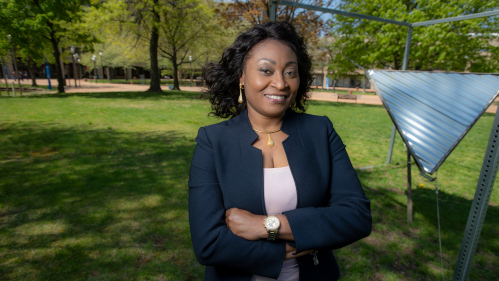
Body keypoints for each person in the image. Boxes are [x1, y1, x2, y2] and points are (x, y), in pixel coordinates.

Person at [188, 21, 372, 281]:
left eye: (290, 72)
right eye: (266, 70)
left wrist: (266, 226)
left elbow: (357, 216)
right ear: (241, 76)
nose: (280, 83)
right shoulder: (213, 140)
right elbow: (208, 243)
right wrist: (292, 244)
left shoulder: (320, 131)